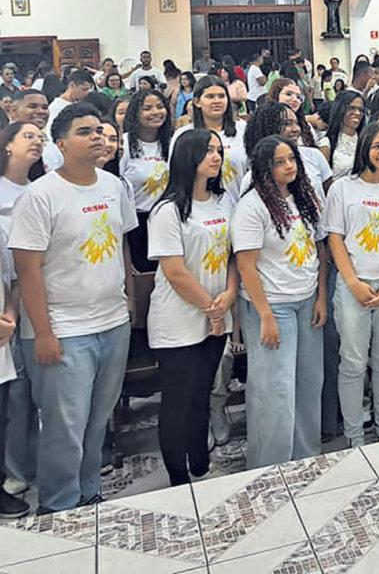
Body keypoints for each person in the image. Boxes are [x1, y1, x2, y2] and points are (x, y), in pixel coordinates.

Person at [9, 103, 136, 512]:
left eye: (100, 130)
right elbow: (28, 271)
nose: (98, 137)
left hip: (112, 321)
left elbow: (123, 247)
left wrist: (130, 299)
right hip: (63, 328)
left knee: (97, 419)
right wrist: (43, 334)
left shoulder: (114, 186)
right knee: (64, 425)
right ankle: (59, 504)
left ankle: (87, 491)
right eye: (85, 132)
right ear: (61, 144)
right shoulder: (40, 195)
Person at [147, 130, 237, 485]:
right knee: (178, 401)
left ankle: (201, 464)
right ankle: (178, 479)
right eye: (207, 151)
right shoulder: (167, 210)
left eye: (218, 150)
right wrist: (211, 307)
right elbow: (174, 271)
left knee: (202, 393)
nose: (215, 157)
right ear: (188, 157)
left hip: (217, 312)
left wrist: (229, 294)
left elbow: (234, 254)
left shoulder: (223, 201)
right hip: (178, 318)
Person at [231, 136, 327, 467]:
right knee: (275, 391)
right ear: (263, 168)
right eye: (280, 162)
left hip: (306, 300)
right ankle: (270, 465)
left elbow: (319, 250)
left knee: (308, 382)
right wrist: (265, 315)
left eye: (292, 159)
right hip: (272, 306)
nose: (289, 167)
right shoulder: (252, 206)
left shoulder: (303, 198)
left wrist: (321, 298)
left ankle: (305, 457)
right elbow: (245, 265)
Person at [323, 122, 379, 446]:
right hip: (353, 288)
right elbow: (334, 238)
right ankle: (354, 436)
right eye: (376, 145)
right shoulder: (342, 188)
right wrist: (352, 283)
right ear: (364, 148)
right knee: (352, 363)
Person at [0, 123, 44, 515]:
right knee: (14, 391)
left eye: (39, 136)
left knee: (35, 385)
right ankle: (14, 469)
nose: (36, 141)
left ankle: (35, 461)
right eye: (27, 135)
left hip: (37, 295)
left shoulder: (42, 189)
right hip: (8, 299)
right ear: (7, 144)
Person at [120, 89, 173, 272]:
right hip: (136, 223)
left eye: (160, 107)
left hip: (167, 220)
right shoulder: (124, 144)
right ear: (135, 113)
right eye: (147, 108)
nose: (155, 112)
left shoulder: (172, 142)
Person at [327, 90, 366, 178]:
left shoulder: (365, 141)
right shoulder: (327, 143)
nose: (357, 113)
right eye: (352, 108)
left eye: (361, 110)